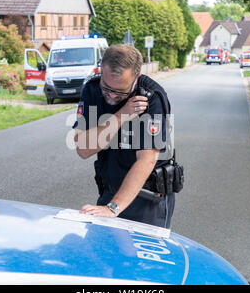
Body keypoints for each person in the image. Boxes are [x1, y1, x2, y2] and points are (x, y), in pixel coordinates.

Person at [73, 44, 175, 228]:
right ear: (101, 70)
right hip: (110, 193)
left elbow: (146, 160)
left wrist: (113, 208)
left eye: (120, 91)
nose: (111, 95)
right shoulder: (93, 89)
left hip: (148, 200)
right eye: (107, 87)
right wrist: (120, 116)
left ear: (136, 77)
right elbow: (83, 149)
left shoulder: (152, 97)